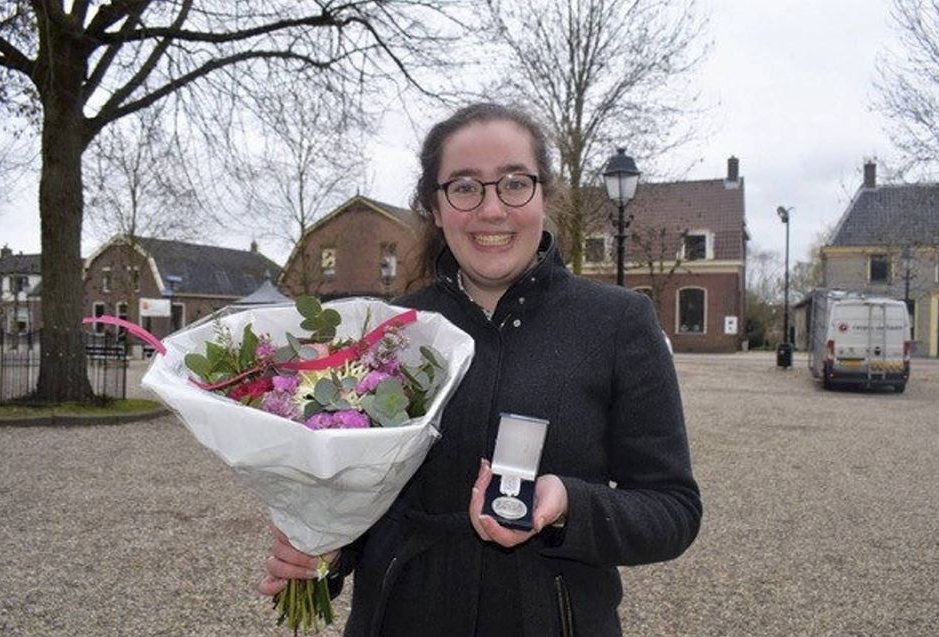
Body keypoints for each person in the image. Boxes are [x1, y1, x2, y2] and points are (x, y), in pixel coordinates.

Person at [258, 102, 702, 636]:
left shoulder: (616, 323)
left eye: (515, 183)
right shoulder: (392, 329)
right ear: (435, 207)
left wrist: (568, 506)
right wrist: (324, 548)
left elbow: (672, 510)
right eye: (465, 187)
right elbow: (361, 491)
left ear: (544, 195)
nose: (491, 210)